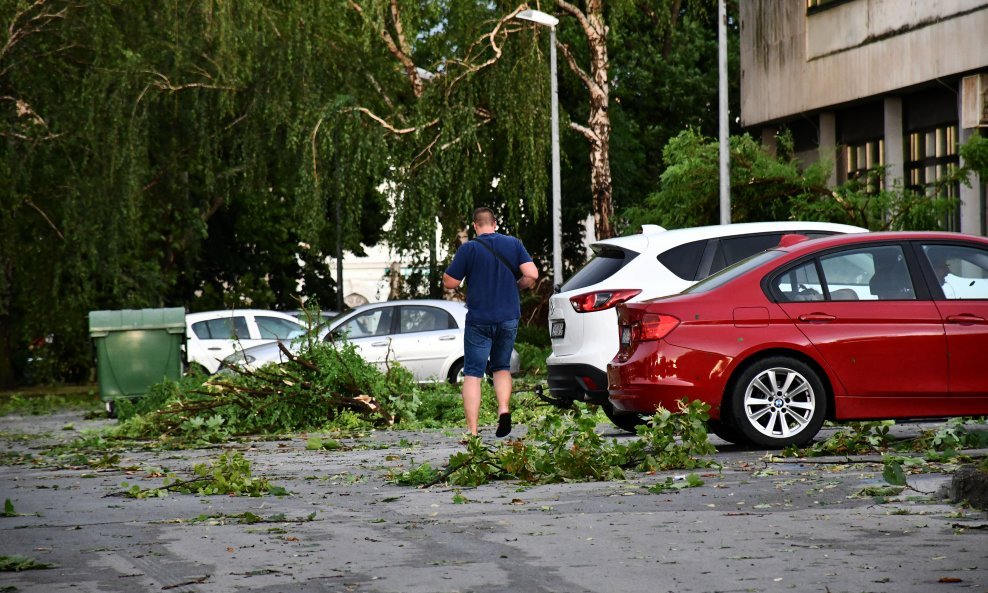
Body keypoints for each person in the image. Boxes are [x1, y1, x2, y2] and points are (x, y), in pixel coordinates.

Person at [442, 207, 539, 438]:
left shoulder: (470, 248)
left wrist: (456, 275)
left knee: (473, 373)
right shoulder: (513, 244)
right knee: (501, 367)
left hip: (479, 320)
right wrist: (517, 286)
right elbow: (532, 274)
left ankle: (473, 432)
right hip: (508, 318)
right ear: (494, 224)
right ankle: (504, 409)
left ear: (475, 226)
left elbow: (451, 282)